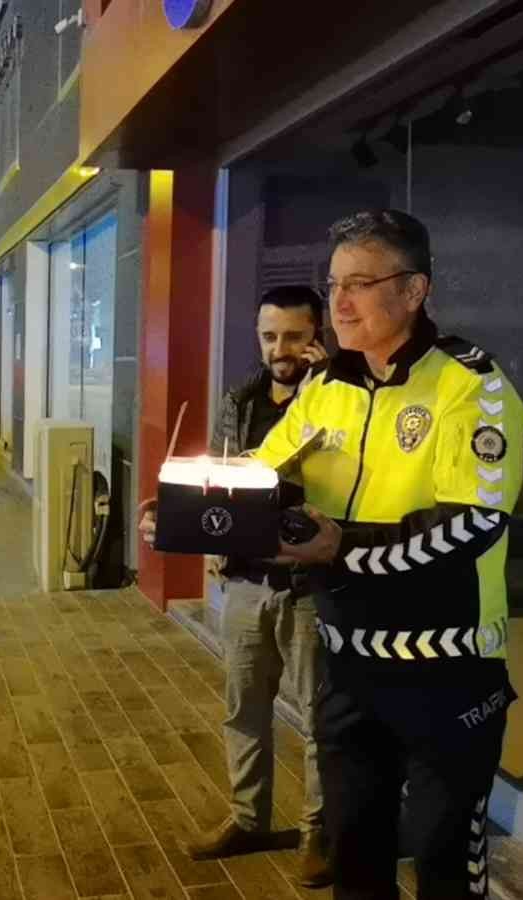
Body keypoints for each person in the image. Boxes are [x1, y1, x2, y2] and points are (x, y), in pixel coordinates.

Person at [252, 210, 523, 900]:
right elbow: (266, 472)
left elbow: (471, 524)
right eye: (334, 283)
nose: (337, 303)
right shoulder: (327, 386)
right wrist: (198, 508)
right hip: (349, 663)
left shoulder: (473, 385)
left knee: (442, 865)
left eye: (361, 283)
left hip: (449, 670)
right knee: (354, 856)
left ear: (413, 291)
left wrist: (342, 548)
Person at [138, 284, 332, 886]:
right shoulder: (242, 399)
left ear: (317, 336)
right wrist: (167, 512)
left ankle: (319, 832)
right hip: (246, 582)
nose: (282, 348)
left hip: (309, 585)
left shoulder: (341, 403)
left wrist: (332, 386)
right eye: (271, 336)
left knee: (321, 718)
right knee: (243, 709)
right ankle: (249, 818)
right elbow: (216, 489)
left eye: (296, 336)